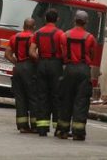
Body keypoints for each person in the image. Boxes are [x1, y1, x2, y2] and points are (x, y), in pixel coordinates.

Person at [57, 10, 98, 141]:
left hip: (69, 69)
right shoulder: (90, 38)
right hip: (83, 70)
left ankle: (63, 131)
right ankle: (78, 133)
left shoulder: (64, 35)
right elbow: (92, 55)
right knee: (81, 101)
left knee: (66, 99)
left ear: (74, 20)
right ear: (86, 22)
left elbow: (62, 53)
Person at [32, 9, 67, 137]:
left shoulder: (37, 33)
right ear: (57, 19)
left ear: (45, 19)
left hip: (41, 64)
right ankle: (58, 128)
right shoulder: (60, 34)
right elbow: (64, 52)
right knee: (56, 96)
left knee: (42, 96)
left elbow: (31, 51)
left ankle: (42, 128)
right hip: (55, 65)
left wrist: (40, 60)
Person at [5, 18, 39, 134]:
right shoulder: (34, 37)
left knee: (20, 98)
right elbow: (33, 54)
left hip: (18, 68)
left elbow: (7, 54)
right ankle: (34, 126)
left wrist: (17, 62)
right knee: (33, 97)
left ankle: (22, 126)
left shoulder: (14, 37)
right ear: (34, 27)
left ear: (23, 26)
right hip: (30, 68)